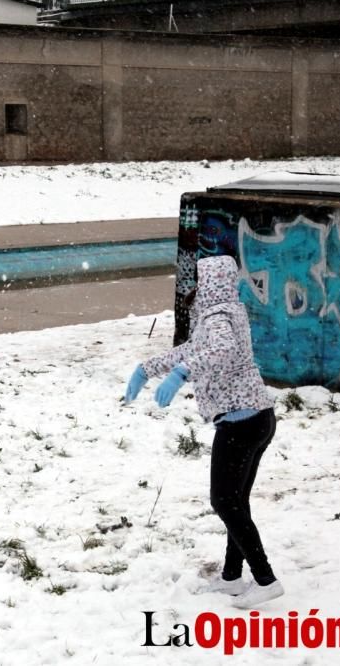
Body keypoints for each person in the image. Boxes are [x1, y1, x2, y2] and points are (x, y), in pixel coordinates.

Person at [123, 255, 282, 609]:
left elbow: (220, 351)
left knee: (224, 501)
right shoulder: (226, 312)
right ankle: (231, 577)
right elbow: (195, 348)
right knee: (235, 502)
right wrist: (147, 369)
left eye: (199, 281)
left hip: (241, 423)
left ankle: (265, 578)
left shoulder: (218, 316)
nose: (195, 287)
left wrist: (181, 374)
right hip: (258, 417)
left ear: (209, 284)